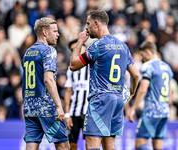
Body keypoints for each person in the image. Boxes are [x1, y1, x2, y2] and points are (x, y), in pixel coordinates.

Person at [70, 10, 139, 150]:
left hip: (101, 100)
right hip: (118, 100)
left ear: (96, 23)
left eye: (88, 24)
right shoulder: (123, 46)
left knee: (91, 142)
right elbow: (136, 75)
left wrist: (80, 41)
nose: (86, 28)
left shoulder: (97, 46)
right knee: (109, 144)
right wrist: (131, 93)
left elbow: (73, 65)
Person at [22, 17, 69, 150]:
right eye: (55, 31)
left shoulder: (28, 52)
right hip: (46, 106)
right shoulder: (49, 51)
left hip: (30, 107)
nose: (58, 34)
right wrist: (59, 106)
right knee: (63, 144)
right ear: (44, 32)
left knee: (31, 145)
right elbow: (48, 79)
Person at [128, 41, 173, 150]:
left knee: (139, 144)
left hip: (151, 111)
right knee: (158, 144)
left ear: (148, 52)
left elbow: (143, 89)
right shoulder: (167, 67)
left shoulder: (148, 66)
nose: (142, 59)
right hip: (165, 111)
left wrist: (133, 108)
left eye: (142, 55)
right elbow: (171, 94)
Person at [64, 39, 89, 150]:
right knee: (71, 142)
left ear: (85, 48)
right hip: (74, 111)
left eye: (78, 48)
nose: (76, 51)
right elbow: (68, 91)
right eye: (73, 50)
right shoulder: (71, 69)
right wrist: (67, 114)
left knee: (90, 142)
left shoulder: (94, 66)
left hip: (89, 112)